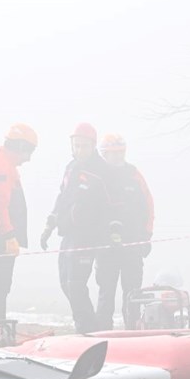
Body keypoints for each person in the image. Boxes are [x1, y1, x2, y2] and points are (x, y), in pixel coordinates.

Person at [40, 123, 111, 333]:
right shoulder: (70, 168)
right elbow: (62, 197)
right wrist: (49, 225)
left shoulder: (101, 170)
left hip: (88, 236)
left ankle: (88, 328)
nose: (80, 150)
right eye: (77, 146)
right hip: (68, 234)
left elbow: (106, 206)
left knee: (75, 284)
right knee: (65, 282)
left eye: (84, 146)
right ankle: (88, 324)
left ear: (93, 146)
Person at [95, 134, 155, 330]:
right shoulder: (98, 176)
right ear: (104, 154)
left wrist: (146, 237)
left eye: (120, 152)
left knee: (132, 294)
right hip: (106, 248)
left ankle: (132, 331)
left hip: (132, 247)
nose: (117, 157)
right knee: (106, 294)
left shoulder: (133, 175)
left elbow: (148, 205)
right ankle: (103, 333)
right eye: (113, 154)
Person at [0, 124, 37, 326]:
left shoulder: (6, 166)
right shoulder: (2, 168)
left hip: (2, 238)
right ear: (20, 147)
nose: (28, 158)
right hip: (1, 240)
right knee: (0, 285)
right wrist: (9, 235)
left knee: (2, 285)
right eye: (28, 152)